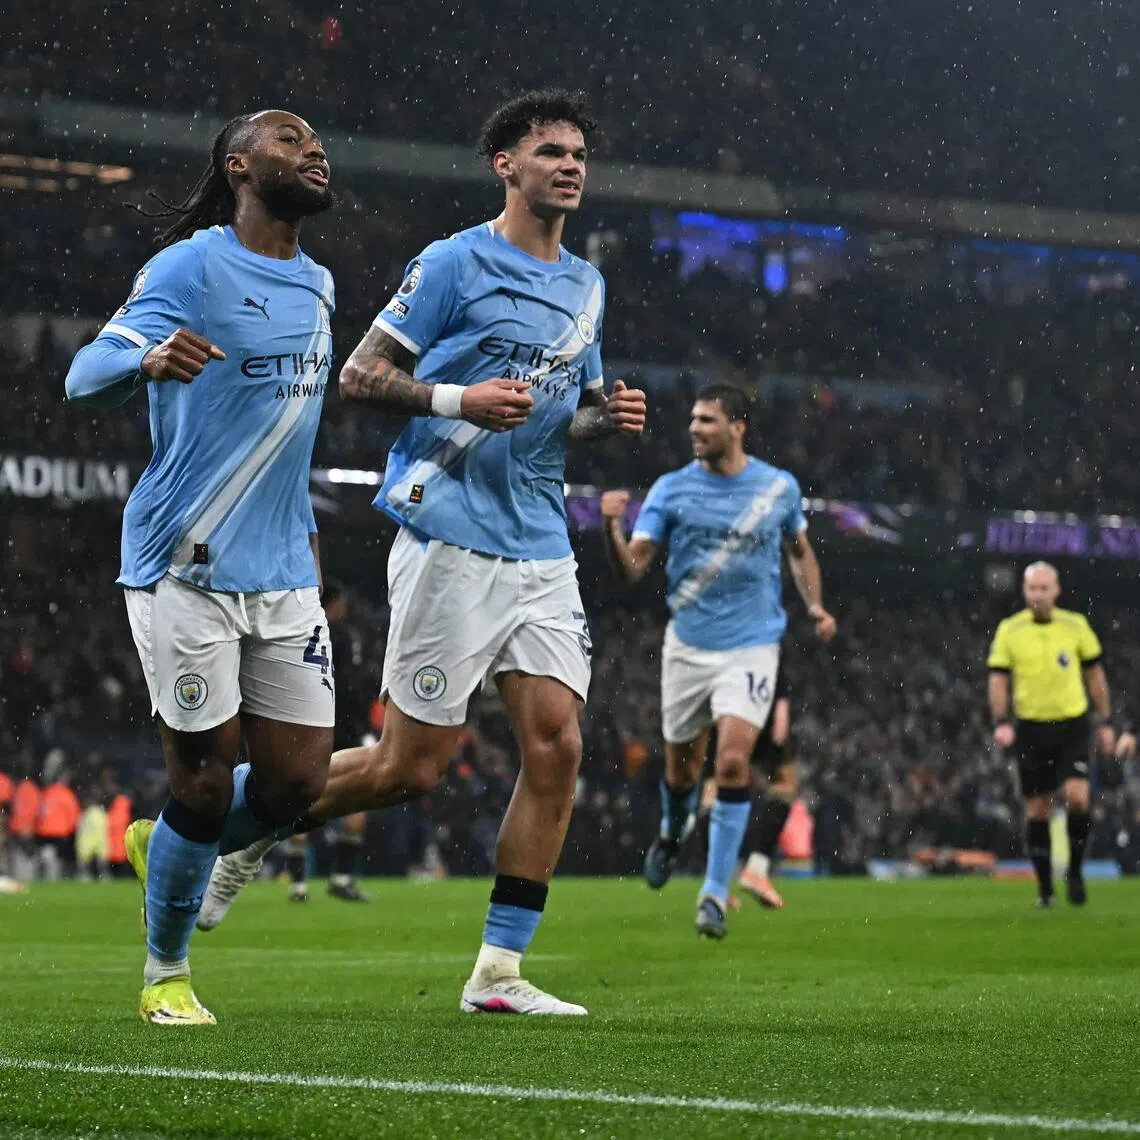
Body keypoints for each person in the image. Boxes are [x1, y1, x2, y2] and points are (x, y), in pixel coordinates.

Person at [198, 88, 646, 1015]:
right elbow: (362, 375)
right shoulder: (453, 262)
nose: (571, 165)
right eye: (552, 151)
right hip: (451, 538)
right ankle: (237, 822)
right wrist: (458, 399)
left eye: (580, 155)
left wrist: (610, 419)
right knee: (412, 769)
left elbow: (564, 419)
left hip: (541, 548)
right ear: (506, 166)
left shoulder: (589, 286)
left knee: (557, 747)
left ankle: (498, 973)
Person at [64, 109, 336, 1025]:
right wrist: (147, 355)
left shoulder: (323, 283)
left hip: (285, 567)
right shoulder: (191, 264)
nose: (314, 151)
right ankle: (165, 972)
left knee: (298, 781)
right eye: (291, 139)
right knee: (206, 776)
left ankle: (173, 842)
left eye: (317, 141)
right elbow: (82, 371)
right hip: (184, 559)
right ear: (241, 167)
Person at [600, 384, 835, 939]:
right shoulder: (671, 489)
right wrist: (611, 529)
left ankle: (712, 891)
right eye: (693, 419)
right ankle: (671, 830)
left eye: (706, 420)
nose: (694, 429)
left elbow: (800, 553)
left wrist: (816, 605)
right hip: (688, 645)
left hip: (753, 644)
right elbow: (633, 568)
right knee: (682, 772)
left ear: (738, 426)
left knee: (732, 765)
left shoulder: (777, 488)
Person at [988, 562, 1115, 908]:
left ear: (1056, 591)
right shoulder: (1010, 630)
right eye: (1033, 589)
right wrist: (1001, 720)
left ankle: (1074, 871)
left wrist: (1105, 721)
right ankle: (1045, 889)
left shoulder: (1075, 626)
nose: (1039, 595)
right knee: (1038, 808)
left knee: (1077, 797)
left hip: (1072, 724)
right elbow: (998, 678)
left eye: (1045, 588)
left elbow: (1095, 676)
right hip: (1030, 727)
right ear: (1024, 592)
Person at [701, 663, 796, 909]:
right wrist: (781, 701)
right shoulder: (765, 631)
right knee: (784, 784)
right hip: (756, 689)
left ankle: (716, 883)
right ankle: (755, 869)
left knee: (714, 786)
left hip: (718, 693)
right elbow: (773, 641)